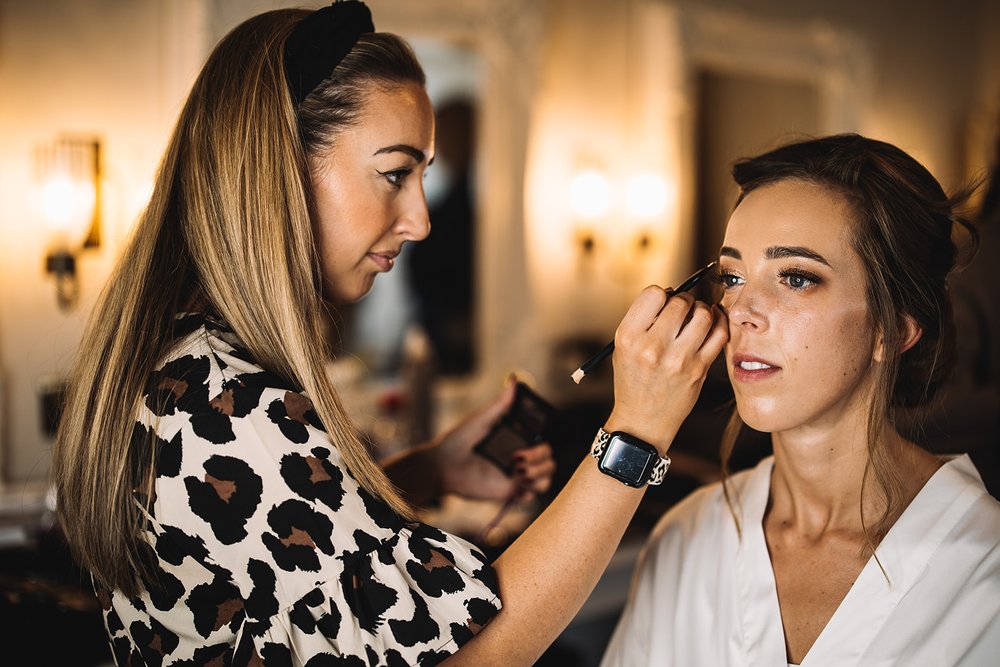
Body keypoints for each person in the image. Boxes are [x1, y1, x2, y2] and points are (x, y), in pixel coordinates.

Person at [51, 3, 728, 665]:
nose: (419, 219)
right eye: (395, 173)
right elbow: (473, 657)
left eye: (423, 178)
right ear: (279, 165)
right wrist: (637, 434)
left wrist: (429, 468)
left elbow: (276, 555)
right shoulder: (231, 404)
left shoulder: (191, 366)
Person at [601, 134, 1000, 666]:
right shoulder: (686, 538)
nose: (742, 310)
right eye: (732, 277)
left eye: (795, 278)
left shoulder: (985, 565)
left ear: (894, 328)